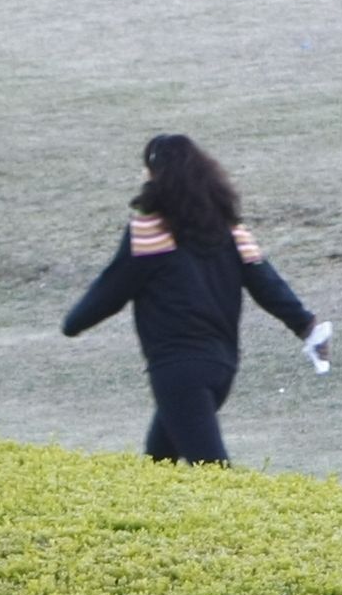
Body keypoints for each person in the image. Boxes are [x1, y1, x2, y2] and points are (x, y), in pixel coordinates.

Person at [61, 133, 324, 464]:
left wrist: (72, 324)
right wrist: (306, 326)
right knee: (158, 464)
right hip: (221, 367)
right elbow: (267, 285)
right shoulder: (228, 231)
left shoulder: (150, 233)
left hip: (177, 370)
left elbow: (111, 290)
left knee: (213, 471)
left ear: (156, 176)